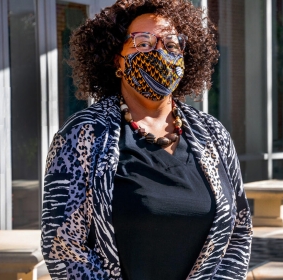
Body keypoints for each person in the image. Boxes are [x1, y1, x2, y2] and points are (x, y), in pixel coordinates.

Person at [40, 1, 252, 279]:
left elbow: (238, 229)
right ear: (117, 59)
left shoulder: (213, 134)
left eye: (172, 45)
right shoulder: (84, 134)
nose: (160, 53)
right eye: (143, 43)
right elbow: (64, 246)